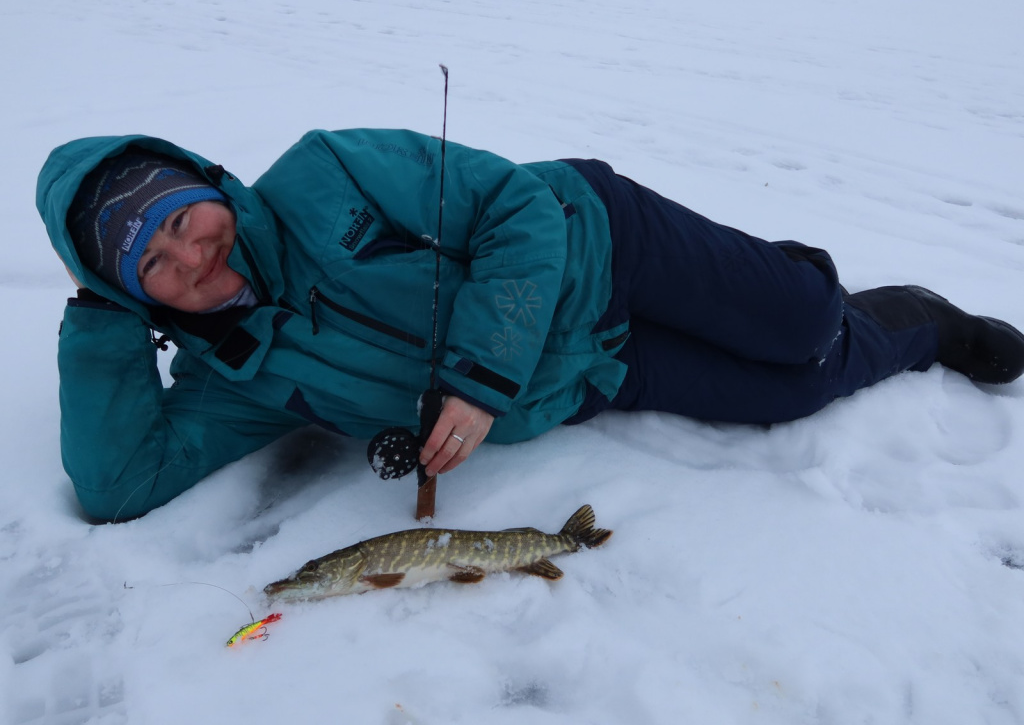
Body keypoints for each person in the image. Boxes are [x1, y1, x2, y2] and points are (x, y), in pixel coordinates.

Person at [38, 129, 1024, 522]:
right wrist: (99, 320)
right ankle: (919, 331)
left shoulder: (323, 170)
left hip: (599, 241)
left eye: (177, 221)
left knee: (805, 322)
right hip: (582, 376)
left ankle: (835, 297)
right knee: (800, 388)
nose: (190, 259)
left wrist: (474, 376)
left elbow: (511, 204)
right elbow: (120, 484)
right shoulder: (236, 375)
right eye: (149, 269)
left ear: (201, 183)